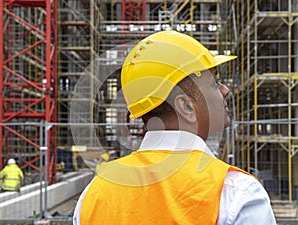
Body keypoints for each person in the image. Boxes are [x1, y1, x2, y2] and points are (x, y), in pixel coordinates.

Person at [73, 31, 276, 224]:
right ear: (186, 106)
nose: (225, 90)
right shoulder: (235, 193)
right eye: (215, 83)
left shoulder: (94, 194)